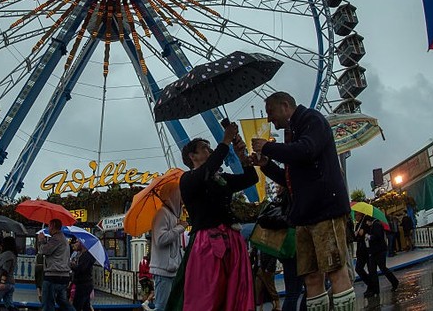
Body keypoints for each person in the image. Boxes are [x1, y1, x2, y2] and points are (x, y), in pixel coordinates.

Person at [253, 92, 355, 311]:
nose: (270, 119)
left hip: (324, 210)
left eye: (271, 113)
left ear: (285, 105)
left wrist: (267, 148)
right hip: (304, 215)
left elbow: (306, 151)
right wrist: (266, 165)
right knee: (311, 278)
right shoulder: (293, 133)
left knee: (335, 270)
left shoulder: (312, 119)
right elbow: (290, 181)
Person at [173, 121, 257, 311]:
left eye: (210, 148)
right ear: (192, 156)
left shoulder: (220, 178)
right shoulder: (188, 179)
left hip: (231, 239)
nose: (210, 151)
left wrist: (242, 156)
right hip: (207, 243)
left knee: (235, 292)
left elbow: (251, 179)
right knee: (208, 295)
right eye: (204, 149)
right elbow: (208, 169)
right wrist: (225, 141)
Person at [149, 183, 185, 311]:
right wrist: (180, 228)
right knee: (162, 307)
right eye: (180, 196)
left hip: (172, 270)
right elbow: (161, 240)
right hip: (163, 270)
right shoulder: (162, 214)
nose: (182, 200)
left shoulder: (173, 215)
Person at [38, 218, 75, 311]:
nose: (48, 228)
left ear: (53, 225)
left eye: (49, 226)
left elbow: (44, 250)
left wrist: (42, 240)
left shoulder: (56, 238)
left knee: (47, 303)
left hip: (53, 275)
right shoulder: (62, 239)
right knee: (62, 301)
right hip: (63, 275)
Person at [362, 216, 399, 297]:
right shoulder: (373, 225)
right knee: (372, 271)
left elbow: (378, 236)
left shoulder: (377, 225)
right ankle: (376, 289)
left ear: (369, 220)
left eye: (367, 222)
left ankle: (394, 281)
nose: (366, 223)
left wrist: (369, 237)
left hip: (379, 251)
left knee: (383, 268)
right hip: (374, 251)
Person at [70, 238, 95, 311]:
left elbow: (81, 269)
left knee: (77, 305)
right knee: (86, 306)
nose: (75, 244)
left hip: (84, 284)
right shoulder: (81, 255)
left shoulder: (87, 256)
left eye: (77, 242)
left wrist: (72, 265)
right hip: (81, 283)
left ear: (82, 244)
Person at [353, 215, 370, 286]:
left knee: (368, 268)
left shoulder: (365, 222)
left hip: (365, 249)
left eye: (356, 214)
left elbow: (363, 233)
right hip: (360, 249)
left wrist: (360, 232)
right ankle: (369, 283)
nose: (355, 216)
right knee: (358, 268)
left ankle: (371, 285)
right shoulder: (358, 225)